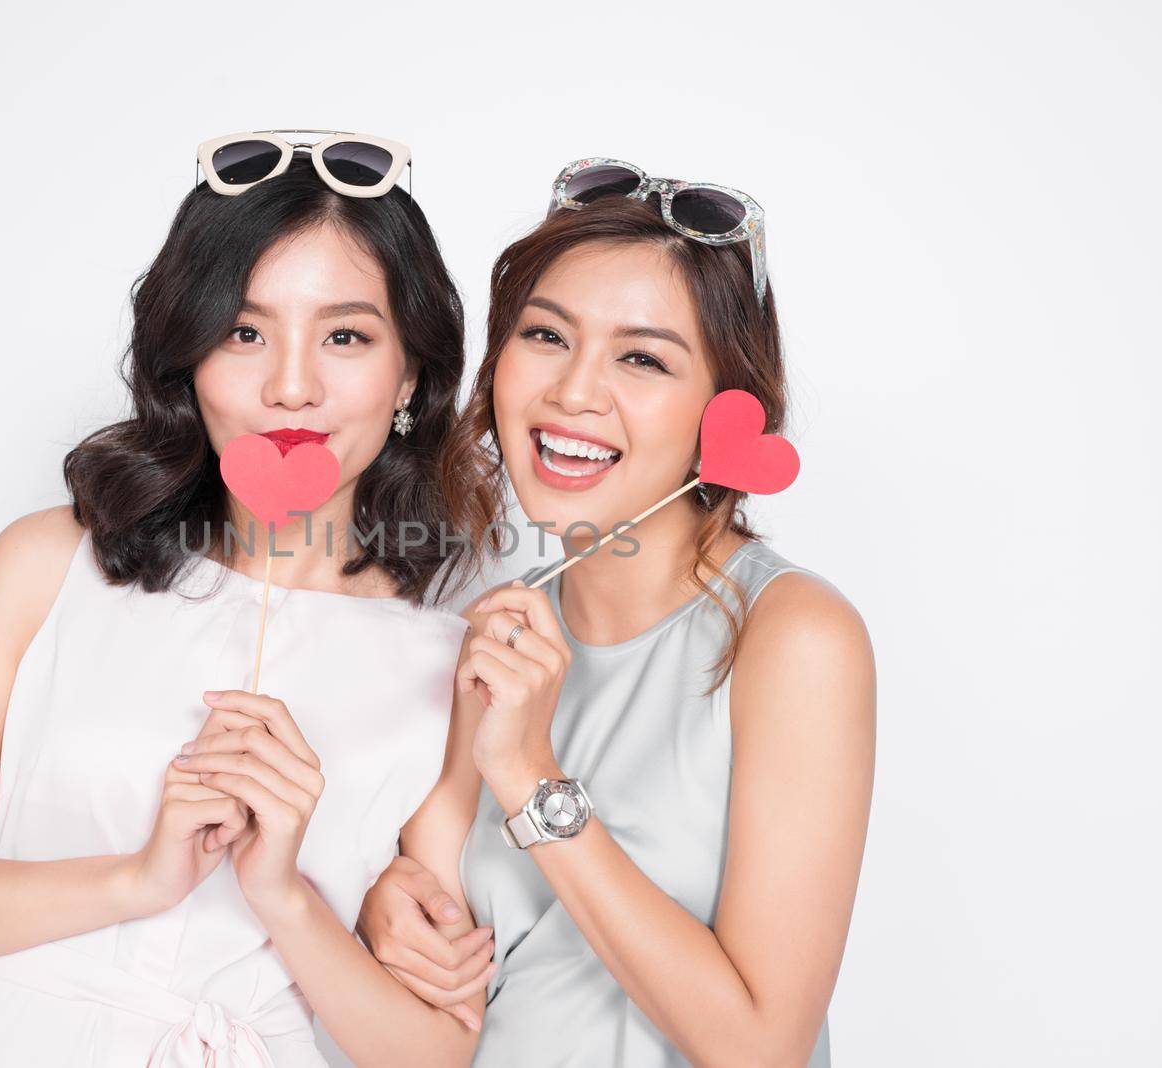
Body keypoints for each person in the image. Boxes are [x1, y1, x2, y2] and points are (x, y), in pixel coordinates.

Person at [0, 131, 501, 1066]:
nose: (292, 385)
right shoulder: (51, 564)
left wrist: (285, 896)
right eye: (245, 332)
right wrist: (139, 880)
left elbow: (434, 1053)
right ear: (187, 359)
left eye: (345, 335)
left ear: (411, 376)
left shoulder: (446, 656)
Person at [354, 162, 877, 1066]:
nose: (574, 392)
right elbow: (441, 972)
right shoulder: (500, 630)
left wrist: (529, 778)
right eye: (546, 336)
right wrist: (383, 910)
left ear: (725, 410)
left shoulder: (793, 637)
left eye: (642, 357)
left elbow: (762, 1046)